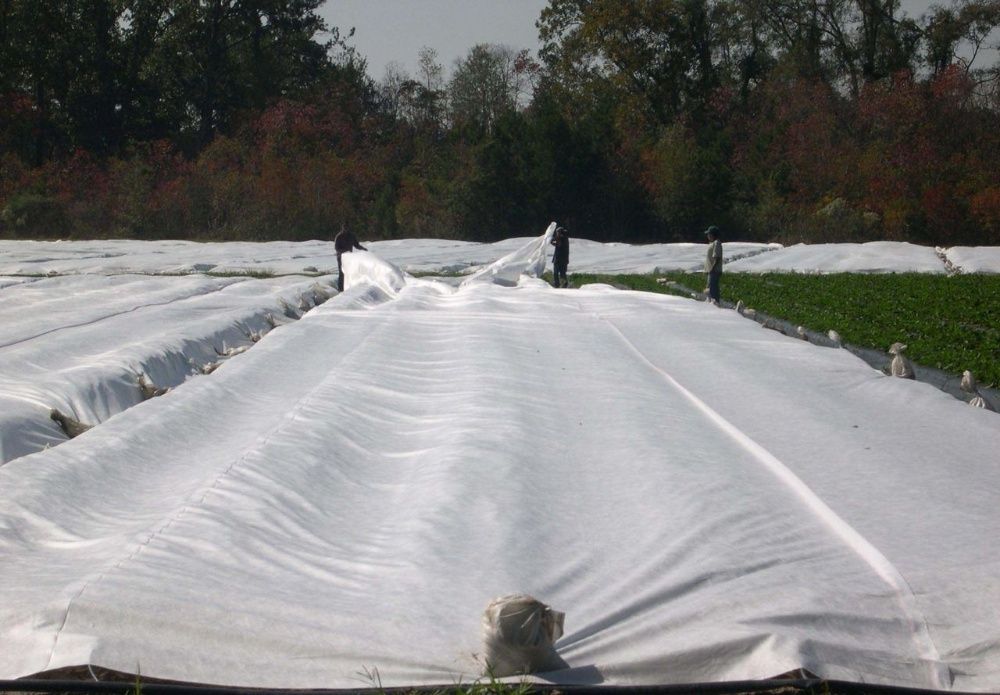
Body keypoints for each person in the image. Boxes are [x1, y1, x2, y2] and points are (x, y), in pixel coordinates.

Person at [334, 225, 366, 291]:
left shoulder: (351, 236)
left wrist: (363, 249)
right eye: (344, 228)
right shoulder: (339, 236)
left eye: (347, 228)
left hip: (349, 258)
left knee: (349, 272)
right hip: (341, 257)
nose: (346, 230)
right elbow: (336, 248)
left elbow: (356, 245)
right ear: (342, 228)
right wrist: (345, 251)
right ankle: (340, 289)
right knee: (342, 273)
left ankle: (348, 287)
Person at [704, 225, 723, 305]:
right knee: (709, 288)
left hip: (714, 270)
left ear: (713, 235)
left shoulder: (717, 243)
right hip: (711, 270)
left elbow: (717, 257)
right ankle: (711, 303)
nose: (708, 236)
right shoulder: (712, 244)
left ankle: (715, 304)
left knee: (712, 289)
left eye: (709, 234)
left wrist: (712, 268)